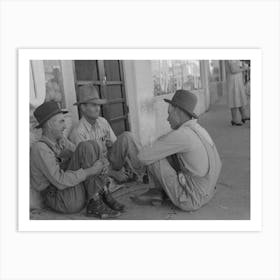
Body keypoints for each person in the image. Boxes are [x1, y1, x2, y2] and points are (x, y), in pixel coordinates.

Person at [30, 101, 125, 219]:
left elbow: (83, 153)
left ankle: (102, 194)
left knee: (91, 145)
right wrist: (91, 170)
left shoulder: (60, 141)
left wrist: (101, 162)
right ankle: (95, 199)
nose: (65, 126)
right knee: (86, 148)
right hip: (60, 199)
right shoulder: (40, 149)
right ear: (50, 124)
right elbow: (60, 181)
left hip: (69, 191)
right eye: (61, 121)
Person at [136, 90, 222, 211]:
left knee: (153, 158)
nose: (167, 119)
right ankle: (162, 191)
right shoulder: (198, 129)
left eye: (169, 113)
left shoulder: (182, 135)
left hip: (191, 199)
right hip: (208, 192)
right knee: (166, 152)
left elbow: (143, 156)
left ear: (177, 112)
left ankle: (158, 192)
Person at [70, 84, 145, 183]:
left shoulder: (102, 122)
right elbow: (86, 166)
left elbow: (116, 147)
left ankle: (144, 173)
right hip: (96, 170)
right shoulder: (78, 132)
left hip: (110, 161)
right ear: (83, 108)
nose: (98, 109)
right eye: (94, 105)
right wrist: (113, 173)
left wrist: (125, 163)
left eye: (98, 105)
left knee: (127, 136)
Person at [225, 60, 250, 126]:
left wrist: (243, 66)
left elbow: (238, 67)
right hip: (233, 82)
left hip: (238, 81)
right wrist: (244, 68)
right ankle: (234, 120)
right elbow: (233, 70)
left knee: (240, 98)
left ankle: (243, 116)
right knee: (234, 100)